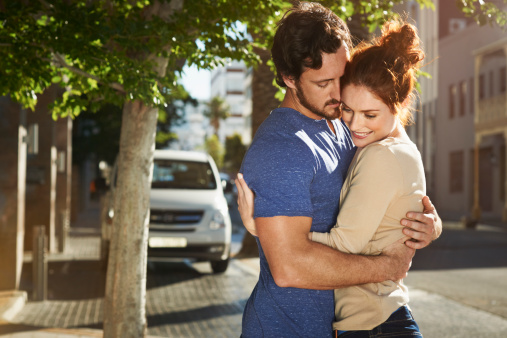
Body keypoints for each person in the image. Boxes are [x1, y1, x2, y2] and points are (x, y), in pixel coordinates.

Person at [236, 2, 441, 337]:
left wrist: (430, 225)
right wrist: (388, 266)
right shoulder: (282, 148)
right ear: (289, 79)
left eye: (341, 76)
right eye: (323, 82)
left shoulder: (346, 123)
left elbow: (393, 188)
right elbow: (288, 267)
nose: (338, 92)